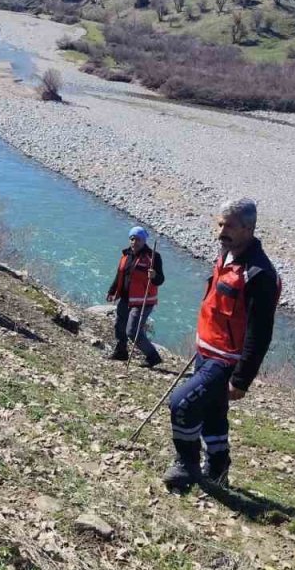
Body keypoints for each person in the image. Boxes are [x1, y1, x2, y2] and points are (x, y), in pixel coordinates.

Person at [164, 198, 281, 493]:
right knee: (213, 415)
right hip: (207, 351)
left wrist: (241, 379)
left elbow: (260, 332)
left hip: (226, 361)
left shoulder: (259, 274)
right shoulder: (226, 254)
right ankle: (217, 471)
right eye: (219, 224)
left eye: (228, 226)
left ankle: (185, 464)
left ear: (248, 228)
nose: (221, 231)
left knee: (182, 403)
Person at [105, 227, 165, 367]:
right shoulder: (126, 255)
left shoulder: (153, 257)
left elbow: (160, 280)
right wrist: (112, 291)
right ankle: (121, 352)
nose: (134, 242)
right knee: (119, 325)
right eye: (132, 239)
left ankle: (153, 356)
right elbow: (120, 275)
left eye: (138, 239)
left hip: (143, 300)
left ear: (144, 240)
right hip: (126, 298)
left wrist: (154, 276)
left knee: (132, 331)